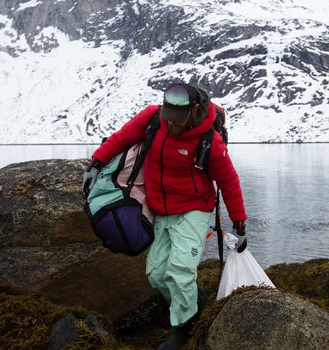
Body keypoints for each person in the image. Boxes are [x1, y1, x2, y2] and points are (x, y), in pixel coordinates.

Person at [83, 82, 248, 350]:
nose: (171, 124)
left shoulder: (210, 141)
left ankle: (184, 329)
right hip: (161, 209)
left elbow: (229, 182)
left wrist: (239, 223)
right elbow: (121, 138)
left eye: (177, 120)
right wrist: (96, 163)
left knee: (180, 271)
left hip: (194, 209)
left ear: (194, 110)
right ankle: (195, 305)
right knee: (157, 273)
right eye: (168, 117)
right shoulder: (153, 118)